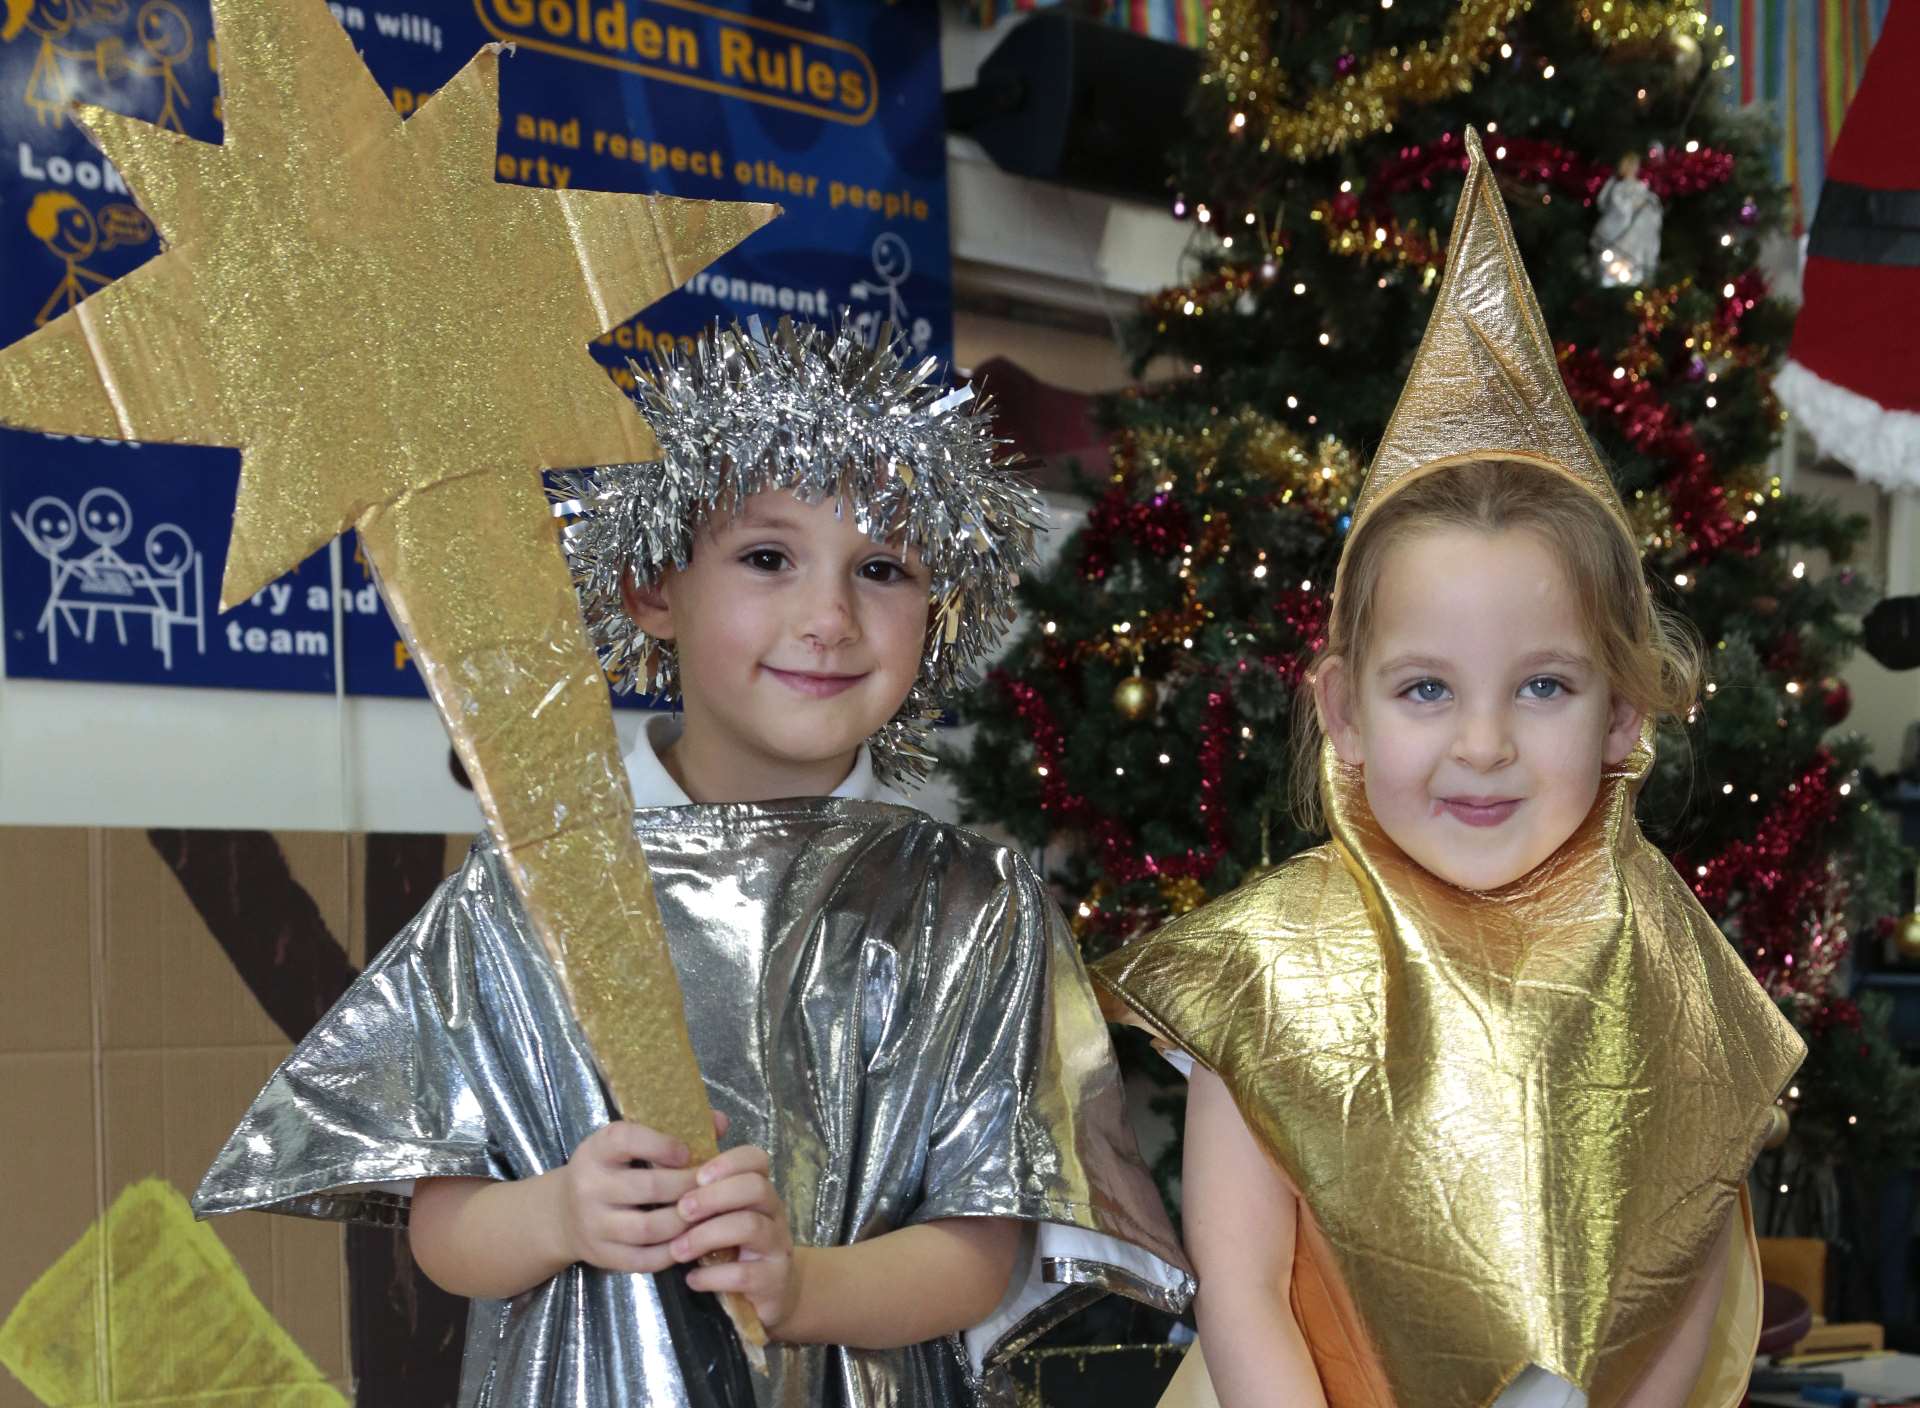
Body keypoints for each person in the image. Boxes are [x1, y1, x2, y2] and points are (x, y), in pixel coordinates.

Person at [194, 317, 1192, 1408]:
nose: (829, 617)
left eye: (884, 566)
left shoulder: (970, 907)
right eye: (768, 557)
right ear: (652, 588)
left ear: (940, 609)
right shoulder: (535, 887)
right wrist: (560, 1213)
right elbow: (444, 1229)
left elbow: (976, 1254)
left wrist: (802, 1284)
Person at [1094, 130, 1802, 1408]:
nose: (1482, 744)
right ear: (1345, 715)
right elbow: (1243, 1282)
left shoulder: (1666, 959)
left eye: (1543, 686)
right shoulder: (1279, 967)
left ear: (1626, 716)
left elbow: (1691, 1263)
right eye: (1428, 689)